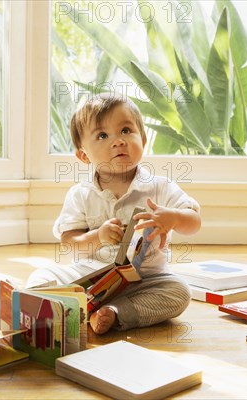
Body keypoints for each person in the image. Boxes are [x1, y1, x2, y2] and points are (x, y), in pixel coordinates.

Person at [26, 93, 201, 335]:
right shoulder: (81, 194)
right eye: (102, 135)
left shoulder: (159, 187)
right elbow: (71, 245)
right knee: (41, 276)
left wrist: (173, 217)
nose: (118, 141)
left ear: (144, 139)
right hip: (89, 277)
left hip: (145, 281)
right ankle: (73, 306)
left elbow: (194, 221)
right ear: (83, 155)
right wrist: (97, 236)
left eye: (126, 130)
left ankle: (114, 312)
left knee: (180, 293)